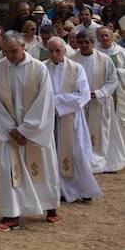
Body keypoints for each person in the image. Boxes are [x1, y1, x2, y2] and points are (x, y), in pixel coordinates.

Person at [0, 30, 60, 231]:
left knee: (43, 167)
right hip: (8, 131)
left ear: (23, 47)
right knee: (10, 171)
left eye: (13, 51)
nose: (9, 56)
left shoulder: (39, 68)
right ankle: (11, 214)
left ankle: (50, 206)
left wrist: (25, 130)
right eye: (5, 52)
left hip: (35, 130)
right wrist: (11, 129)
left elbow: (44, 101)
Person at [43, 36, 102, 203]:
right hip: (50, 119)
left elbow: (83, 95)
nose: (54, 54)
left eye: (58, 51)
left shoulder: (76, 68)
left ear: (64, 50)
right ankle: (61, 189)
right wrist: (50, 103)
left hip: (72, 119)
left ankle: (83, 190)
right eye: (51, 51)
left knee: (76, 153)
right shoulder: (42, 68)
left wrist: (55, 101)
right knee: (55, 154)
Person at [71, 31, 125, 173]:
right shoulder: (72, 60)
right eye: (81, 42)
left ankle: (104, 163)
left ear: (93, 43)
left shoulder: (104, 59)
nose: (84, 45)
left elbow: (112, 80)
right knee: (82, 133)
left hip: (100, 102)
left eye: (87, 42)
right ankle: (86, 162)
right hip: (81, 104)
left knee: (103, 132)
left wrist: (98, 93)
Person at [98, 26, 125, 138]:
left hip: (120, 92)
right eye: (101, 36)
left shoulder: (121, 52)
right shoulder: (95, 53)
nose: (104, 38)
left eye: (106, 35)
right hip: (101, 91)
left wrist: (117, 72)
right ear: (97, 38)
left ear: (111, 37)